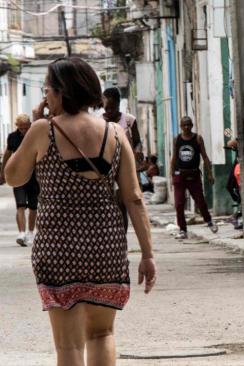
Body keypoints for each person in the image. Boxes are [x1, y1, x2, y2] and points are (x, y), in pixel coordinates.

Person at [4, 57, 156, 366]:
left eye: (47, 89)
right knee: (102, 334)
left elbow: (13, 176)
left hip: (58, 249)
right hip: (105, 246)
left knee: (68, 346)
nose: (45, 96)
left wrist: (33, 125)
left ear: (60, 92)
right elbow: (134, 198)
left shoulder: (42, 130)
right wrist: (148, 255)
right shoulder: (115, 133)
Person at [170, 116, 218, 239]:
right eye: (184, 125)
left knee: (200, 201)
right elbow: (174, 157)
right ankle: (183, 230)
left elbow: (205, 157)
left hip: (194, 175)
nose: (186, 127)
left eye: (188, 125)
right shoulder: (177, 140)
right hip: (180, 176)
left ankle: (209, 221)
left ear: (192, 125)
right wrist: (172, 174)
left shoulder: (197, 139)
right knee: (179, 204)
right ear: (181, 126)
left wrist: (210, 174)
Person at [102, 87, 143, 231]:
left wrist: (138, 152)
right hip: (105, 167)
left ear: (119, 104)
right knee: (108, 205)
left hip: (124, 166)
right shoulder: (99, 122)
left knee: (122, 204)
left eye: (112, 108)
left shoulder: (129, 120)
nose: (109, 111)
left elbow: (137, 141)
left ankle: (122, 237)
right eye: (106, 108)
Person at [0, 113, 40, 246]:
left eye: (25, 128)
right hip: (18, 175)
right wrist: (3, 172)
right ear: (17, 126)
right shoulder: (12, 137)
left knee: (33, 206)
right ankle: (21, 233)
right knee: (20, 204)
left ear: (29, 125)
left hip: (34, 176)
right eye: (20, 128)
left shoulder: (34, 136)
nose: (23, 131)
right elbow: (7, 154)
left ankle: (30, 232)